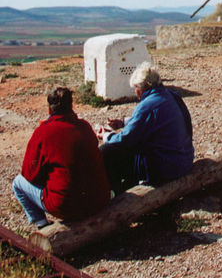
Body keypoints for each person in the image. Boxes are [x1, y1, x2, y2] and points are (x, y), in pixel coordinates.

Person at [12, 86, 111, 229]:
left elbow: (29, 173)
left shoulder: (43, 132)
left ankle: (41, 223)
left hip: (67, 207)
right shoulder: (84, 126)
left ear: (50, 109)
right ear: (71, 106)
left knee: (17, 183)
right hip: (100, 199)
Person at [99, 62, 194, 193]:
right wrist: (123, 123)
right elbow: (154, 120)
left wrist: (106, 136)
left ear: (146, 86)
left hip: (168, 167)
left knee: (107, 151)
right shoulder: (171, 95)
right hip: (184, 159)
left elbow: (125, 139)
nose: (135, 92)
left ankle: (118, 195)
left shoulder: (147, 105)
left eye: (136, 87)